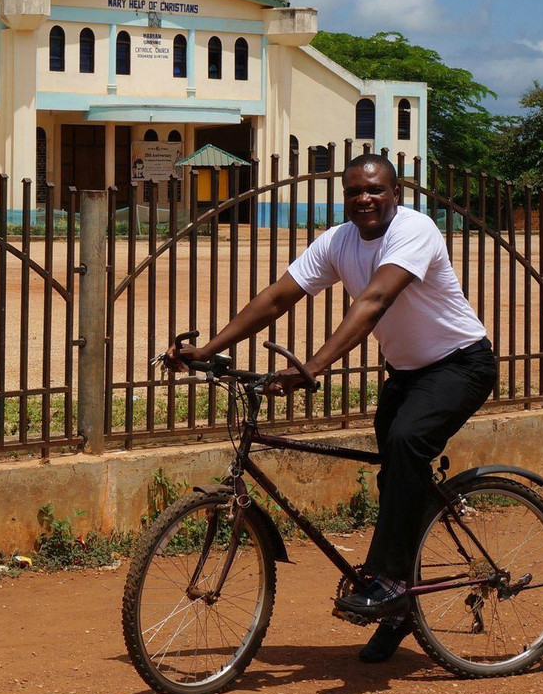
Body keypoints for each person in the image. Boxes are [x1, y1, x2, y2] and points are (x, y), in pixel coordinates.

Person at [166, 152, 496, 663]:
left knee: (407, 445)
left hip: (459, 365)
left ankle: (387, 581)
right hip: (406, 374)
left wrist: (313, 366)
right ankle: (401, 607)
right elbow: (278, 297)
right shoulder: (339, 240)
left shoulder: (416, 230)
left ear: (395, 194)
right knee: (396, 476)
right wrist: (207, 350)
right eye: (354, 191)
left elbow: (373, 301)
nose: (364, 199)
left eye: (375, 190)